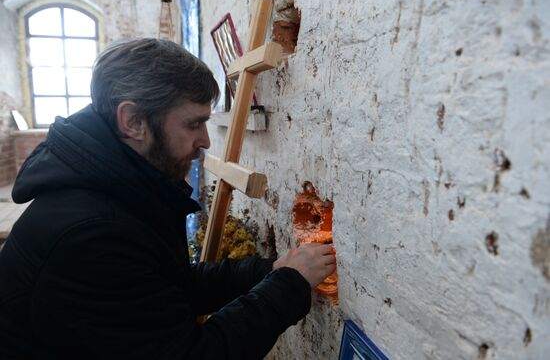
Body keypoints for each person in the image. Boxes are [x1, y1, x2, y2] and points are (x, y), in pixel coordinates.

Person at [0, 38, 336, 359]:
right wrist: (288, 286)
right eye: (193, 124)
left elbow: (167, 288)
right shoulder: (91, 233)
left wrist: (267, 271)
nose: (205, 140)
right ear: (133, 122)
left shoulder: (117, 190)